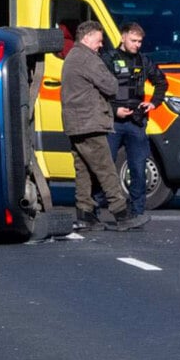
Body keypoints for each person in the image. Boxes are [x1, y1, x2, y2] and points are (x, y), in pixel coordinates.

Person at [60, 20, 149, 232]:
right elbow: (111, 86)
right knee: (106, 169)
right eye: (99, 41)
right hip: (90, 122)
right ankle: (121, 213)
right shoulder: (87, 58)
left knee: (84, 170)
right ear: (87, 38)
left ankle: (85, 214)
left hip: (75, 122)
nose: (101, 45)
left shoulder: (72, 56)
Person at [102, 22, 168, 216]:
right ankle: (95, 208)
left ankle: (137, 211)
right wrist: (115, 110)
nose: (137, 45)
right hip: (113, 121)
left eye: (139, 41)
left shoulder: (143, 61)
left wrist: (153, 103)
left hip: (136, 121)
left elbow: (161, 82)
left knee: (138, 168)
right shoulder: (108, 59)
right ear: (123, 37)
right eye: (133, 40)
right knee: (105, 166)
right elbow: (97, 91)